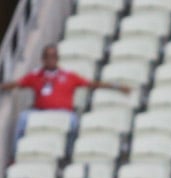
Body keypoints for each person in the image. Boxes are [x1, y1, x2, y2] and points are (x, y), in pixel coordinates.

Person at [0, 43, 130, 152]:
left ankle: (68, 154)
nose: (50, 59)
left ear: (57, 58)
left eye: (53, 56)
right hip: (40, 112)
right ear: (42, 59)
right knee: (23, 117)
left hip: (63, 113)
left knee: (74, 122)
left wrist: (117, 87)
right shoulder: (35, 75)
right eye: (47, 56)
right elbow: (16, 84)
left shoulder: (69, 76)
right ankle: (15, 155)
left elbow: (92, 84)